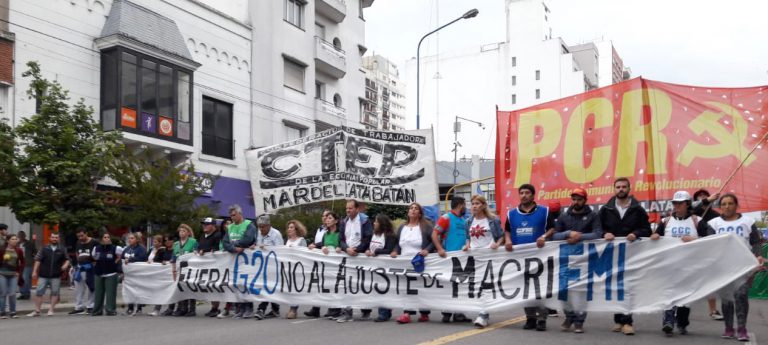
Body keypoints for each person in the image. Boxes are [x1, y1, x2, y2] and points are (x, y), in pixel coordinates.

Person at [706, 193, 764, 342]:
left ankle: (742, 328)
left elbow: (756, 242)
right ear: (720, 207)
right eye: (724, 204)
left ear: (736, 205)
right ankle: (729, 328)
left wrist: (758, 256)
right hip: (723, 267)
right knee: (727, 299)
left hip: (743, 266)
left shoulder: (747, 222)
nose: (727, 206)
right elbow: (710, 244)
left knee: (741, 296)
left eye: (730, 203)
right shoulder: (714, 223)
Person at [598, 177, 651, 335]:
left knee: (628, 286)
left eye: (624, 187)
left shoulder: (638, 209)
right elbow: (597, 228)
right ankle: (617, 320)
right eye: (618, 187)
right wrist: (604, 233)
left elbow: (646, 229)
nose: (621, 189)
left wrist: (636, 233)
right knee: (615, 287)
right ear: (614, 189)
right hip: (612, 253)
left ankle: (627, 321)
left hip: (631, 253)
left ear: (629, 189)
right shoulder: (606, 209)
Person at [553, 188, 603, 333]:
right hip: (565, 258)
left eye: (579, 199)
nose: (576, 202)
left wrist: (579, 237)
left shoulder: (593, 215)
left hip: (585, 259)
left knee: (582, 290)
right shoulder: (564, 216)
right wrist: (568, 234)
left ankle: (579, 321)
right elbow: (554, 235)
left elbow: (598, 234)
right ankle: (569, 317)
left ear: (585, 200)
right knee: (563, 290)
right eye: (574, 199)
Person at [650, 190, 700, 336]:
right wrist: (654, 236)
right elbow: (655, 236)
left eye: (680, 203)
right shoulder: (665, 222)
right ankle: (668, 322)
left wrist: (694, 240)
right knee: (669, 293)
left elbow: (712, 238)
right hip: (669, 265)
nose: (677, 205)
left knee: (686, 297)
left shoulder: (697, 221)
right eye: (675, 203)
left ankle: (682, 323)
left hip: (690, 266)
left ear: (687, 204)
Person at [504, 184, 553, 331]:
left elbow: (553, 228)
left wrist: (544, 236)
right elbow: (507, 230)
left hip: (540, 257)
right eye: (521, 193)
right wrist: (507, 240)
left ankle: (542, 318)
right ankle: (530, 318)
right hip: (520, 258)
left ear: (533, 195)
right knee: (525, 289)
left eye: (527, 193)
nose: (524, 195)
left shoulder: (544, 211)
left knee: (539, 288)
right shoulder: (511, 214)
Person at [391, 203, 435, 324]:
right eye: (411, 208)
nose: (413, 210)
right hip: (405, 262)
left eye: (416, 209)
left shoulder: (426, 226)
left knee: (420, 288)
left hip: (419, 262)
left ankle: (424, 313)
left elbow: (435, 240)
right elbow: (397, 244)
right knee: (407, 288)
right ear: (408, 212)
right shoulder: (402, 228)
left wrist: (427, 250)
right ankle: (407, 313)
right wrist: (395, 251)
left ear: (420, 213)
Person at [465, 195, 504, 328]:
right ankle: (482, 311)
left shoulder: (493, 220)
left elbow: (501, 237)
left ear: (483, 205)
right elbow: (468, 237)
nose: (474, 206)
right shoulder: (469, 221)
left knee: (486, 285)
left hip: (489, 257)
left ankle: (483, 315)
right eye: (472, 204)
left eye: (477, 203)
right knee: (477, 286)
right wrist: (467, 245)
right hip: (475, 258)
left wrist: (497, 244)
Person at [433, 196, 470, 323]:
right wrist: (439, 249)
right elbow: (434, 234)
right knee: (449, 286)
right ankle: (447, 313)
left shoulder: (463, 220)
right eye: (465, 204)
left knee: (460, 286)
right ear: (460, 205)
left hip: (462, 258)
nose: (466, 207)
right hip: (449, 258)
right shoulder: (446, 218)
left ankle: (459, 313)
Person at [335, 200, 373, 323]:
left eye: (350, 208)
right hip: (348, 256)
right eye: (347, 208)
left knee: (362, 284)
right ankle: (347, 312)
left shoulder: (365, 220)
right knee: (347, 284)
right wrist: (346, 249)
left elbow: (368, 238)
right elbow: (340, 239)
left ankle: (365, 311)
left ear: (357, 209)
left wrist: (358, 249)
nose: (348, 211)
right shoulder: (343, 221)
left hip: (360, 256)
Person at [692, 189, 724, 320]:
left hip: (708, 251)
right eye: (699, 197)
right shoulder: (691, 213)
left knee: (710, 280)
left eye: (705, 196)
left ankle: (713, 310)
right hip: (691, 251)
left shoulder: (716, 215)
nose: (703, 199)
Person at [222, 204, 257, 319]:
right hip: (234, 260)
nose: (232, 217)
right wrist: (233, 248)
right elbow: (225, 243)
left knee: (246, 283)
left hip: (246, 260)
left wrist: (235, 244)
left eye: (234, 215)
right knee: (237, 284)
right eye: (230, 215)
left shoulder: (249, 225)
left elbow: (248, 239)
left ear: (240, 214)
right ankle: (240, 308)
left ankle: (249, 308)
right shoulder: (230, 227)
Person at [309, 212, 343, 319]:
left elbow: (344, 243)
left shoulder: (340, 233)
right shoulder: (325, 234)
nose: (327, 220)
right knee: (327, 285)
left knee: (336, 285)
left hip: (338, 264)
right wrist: (315, 245)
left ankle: (336, 308)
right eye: (326, 218)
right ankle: (329, 307)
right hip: (327, 264)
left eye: (330, 218)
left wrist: (340, 248)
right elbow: (323, 244)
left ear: (336, 221)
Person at [27, 232, 69, 317]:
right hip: (43, 275)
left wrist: (65, 265)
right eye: (53, 237)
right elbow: (38, 260)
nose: (54, 239)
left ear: (58, 239)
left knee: (54, 293)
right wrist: (34, 271)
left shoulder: (62, 249)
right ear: (50, 238)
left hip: (56, 275)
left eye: (56, 237)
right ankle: (37, 310)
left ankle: (51, 310)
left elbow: (67, 259)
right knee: (39, 292)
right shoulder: (44, 248)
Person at [364, 214, 396, 322]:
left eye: (376, 222)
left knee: (383, 289)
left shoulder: (389, 236)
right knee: (377, 290)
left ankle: (383, 313)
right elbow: (370, 248)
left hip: (384, 268)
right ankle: (384, 311)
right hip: (374, 267)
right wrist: (368, 251)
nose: (374, 223)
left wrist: (377, 252)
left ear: (382, 224)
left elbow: (389, 250)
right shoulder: (375, 235)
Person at [253, 214, 284, 320]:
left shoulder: (276, 234)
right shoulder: (258, 233)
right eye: (259, 227)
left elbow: (280, 250)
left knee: (267, 287)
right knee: (268, 287)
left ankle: (261, 309)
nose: (261, 229)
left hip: (273, 265)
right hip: (262, 265)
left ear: (269, 225)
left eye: (263, 227)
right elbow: (257, 245)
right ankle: (275, 309)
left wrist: (267, 248)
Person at [304, 210, 331, 318]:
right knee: (317, 284)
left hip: (328, 259)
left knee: (328, 284)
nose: (324, 218)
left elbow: (325, 242)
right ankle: (316, 308)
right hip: (318, 259)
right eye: (323, 216)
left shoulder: (331, 230)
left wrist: (316, 245)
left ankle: (331, 308)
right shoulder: (319, 229)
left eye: (327, 216)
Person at [197, 217, 224, 317]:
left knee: (214, 285)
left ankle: (216, 307)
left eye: (207, 224)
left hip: (216, 265)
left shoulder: (218, 235)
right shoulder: (202, 236)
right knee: (208, 286)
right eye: (203, 224)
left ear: (213, 226)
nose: (204, 226)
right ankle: (213, 307)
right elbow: (199, 247)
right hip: (205, 265)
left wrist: (206, 251)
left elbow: (218, 248)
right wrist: (198, 250)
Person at [68, 227, 98, 315]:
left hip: (90, 268)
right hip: (80, 267)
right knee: (78, 288)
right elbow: (77, 252)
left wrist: (95, 264)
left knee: (91, 287)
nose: (80, 238)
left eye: (82, 236)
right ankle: (78, 307)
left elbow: (99, 253)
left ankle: (90, 306)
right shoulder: (78, 242)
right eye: (78, 236)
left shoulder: (94, 242)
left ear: (86, 233)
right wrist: (78, 263)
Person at [284, 219, 308, 319]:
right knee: (290, 289)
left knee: (296, 289)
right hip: (288, 269)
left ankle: (294, 309)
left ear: (296, 229)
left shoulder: (301, 241)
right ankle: (291, 307)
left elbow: (304, 255)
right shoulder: (288, 241)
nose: (289, 229)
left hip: (298, 270)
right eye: (288, 228)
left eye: (291, 227)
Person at [92, 233, 120, 316]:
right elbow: (94, 257)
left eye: (108, 237)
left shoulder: (115, 248)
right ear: (102, 239)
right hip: (99, 273)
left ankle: (110, 310)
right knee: (98, 293)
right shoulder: (96, 248)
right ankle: (97, 310)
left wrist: (115, 262)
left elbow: (120, 256)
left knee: (111, 293)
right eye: (105, 237)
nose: (107, 238)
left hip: (111, 273)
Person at [172, 224, 198, 317]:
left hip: (190, 269)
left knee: (190, 287)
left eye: (183, 231)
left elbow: (196, 254)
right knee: (180, 287)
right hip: (179, 269)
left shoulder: (193, 241)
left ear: (188, 233)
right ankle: (182, 308)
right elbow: (174, 258)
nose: (181, 233)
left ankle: (192, 309)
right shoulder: (175, 244)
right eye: (180, 231)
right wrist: (174, 270)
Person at [122, 232, 147, 316]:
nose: (130, 240)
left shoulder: (141, 248)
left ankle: (139, 307)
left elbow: (142, 258)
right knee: (129, 290)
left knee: (137, 290)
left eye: (132, 238)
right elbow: (122, 258)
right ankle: (130, 307)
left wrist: (130, 259)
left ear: (137, 239)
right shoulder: (126, 249)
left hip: (138, 273)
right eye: (129, 238)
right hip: (128, 274)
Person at [148, 235, 173, 316]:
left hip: (167, 273)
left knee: (168, 291)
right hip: (158, 274)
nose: (167, 242)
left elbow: (172, 259)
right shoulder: (158, 250)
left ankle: (170, 308)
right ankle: (157, 309)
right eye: (166, 241)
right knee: (159, 291)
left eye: (169, 240)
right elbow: (154, 259)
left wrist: (166, 262)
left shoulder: (169, 250)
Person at [0, 234, 24, 318]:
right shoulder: (2, 250)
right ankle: (2, 312)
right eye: (13, 239)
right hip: (2, 274)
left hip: (13, 275)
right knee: (3, 293)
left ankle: (13, 312)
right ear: (8, 241)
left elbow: (22, 262)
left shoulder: (19, 250)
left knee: (12, 294)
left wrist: (19, 272)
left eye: (16, 239)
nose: (15, 240)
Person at [17, 231, 36, 300]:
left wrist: (32, 259)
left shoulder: (30, 243)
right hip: (19, 264)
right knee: (20, 279)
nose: (20, 237)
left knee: (26, 279)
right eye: (19, 236)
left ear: (25, 236)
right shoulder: (17, 244)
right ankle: (22, 293)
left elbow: (35, 252)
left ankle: (27, 293)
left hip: (27, 264)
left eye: (22, 236)